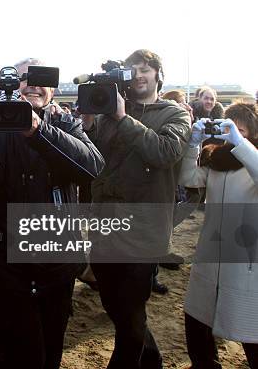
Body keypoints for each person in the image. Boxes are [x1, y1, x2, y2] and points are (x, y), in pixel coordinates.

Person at [0, 57, 104, 369]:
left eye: (42, 78)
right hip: (9, 263)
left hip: (58, 259)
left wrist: (37, 130)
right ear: (9, 84)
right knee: (15, 349)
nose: (34, 84)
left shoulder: (63, 123)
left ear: (53, 88)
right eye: (24, 78)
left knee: (51, 347)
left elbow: (91, 167)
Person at [81, 49, 192, 368]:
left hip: (143, 230)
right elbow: (92, 157)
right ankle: (152, 361)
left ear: (158, 74)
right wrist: (88, 124)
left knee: (130, 316)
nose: (139, 75)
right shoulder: (108, 111)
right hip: (104, 226)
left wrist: (121, 118)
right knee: (116, 307)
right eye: (133, 70)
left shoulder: (174, 114)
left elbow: (164, 152)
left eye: (145, 69)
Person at [179, 102, 258, 369]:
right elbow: (188, 178)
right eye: (229, 128)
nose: (234, 136)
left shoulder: (253, 161)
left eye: (241, 130)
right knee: (197, 321)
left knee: (250, 330)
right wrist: (193, 144)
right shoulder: (217, 160)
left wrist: (242, 145)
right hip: (210, 255)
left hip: (246, 263)